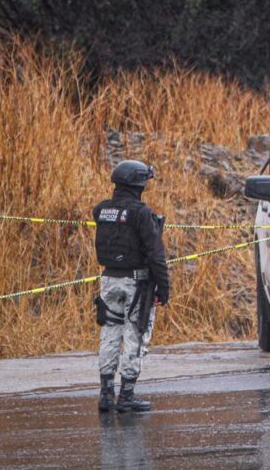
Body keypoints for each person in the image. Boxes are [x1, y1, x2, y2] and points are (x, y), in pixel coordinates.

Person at [94, 159, 170, 412]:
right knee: (135, 335)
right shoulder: (141, 213)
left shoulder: (101, 210)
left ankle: (105, 394)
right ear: (139, 184)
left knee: (109, 334)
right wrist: (163, 288)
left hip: (108, 281)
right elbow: (155, 254)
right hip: (136, 283)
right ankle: (126, 395)